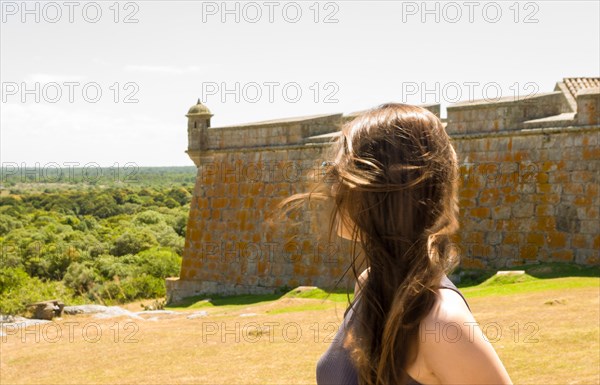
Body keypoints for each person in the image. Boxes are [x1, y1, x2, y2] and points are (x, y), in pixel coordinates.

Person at [285, 103, 513, 385]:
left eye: (338, 175)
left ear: (387, 188)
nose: (332, 189)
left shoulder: (442, 322)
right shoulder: (370, 285)